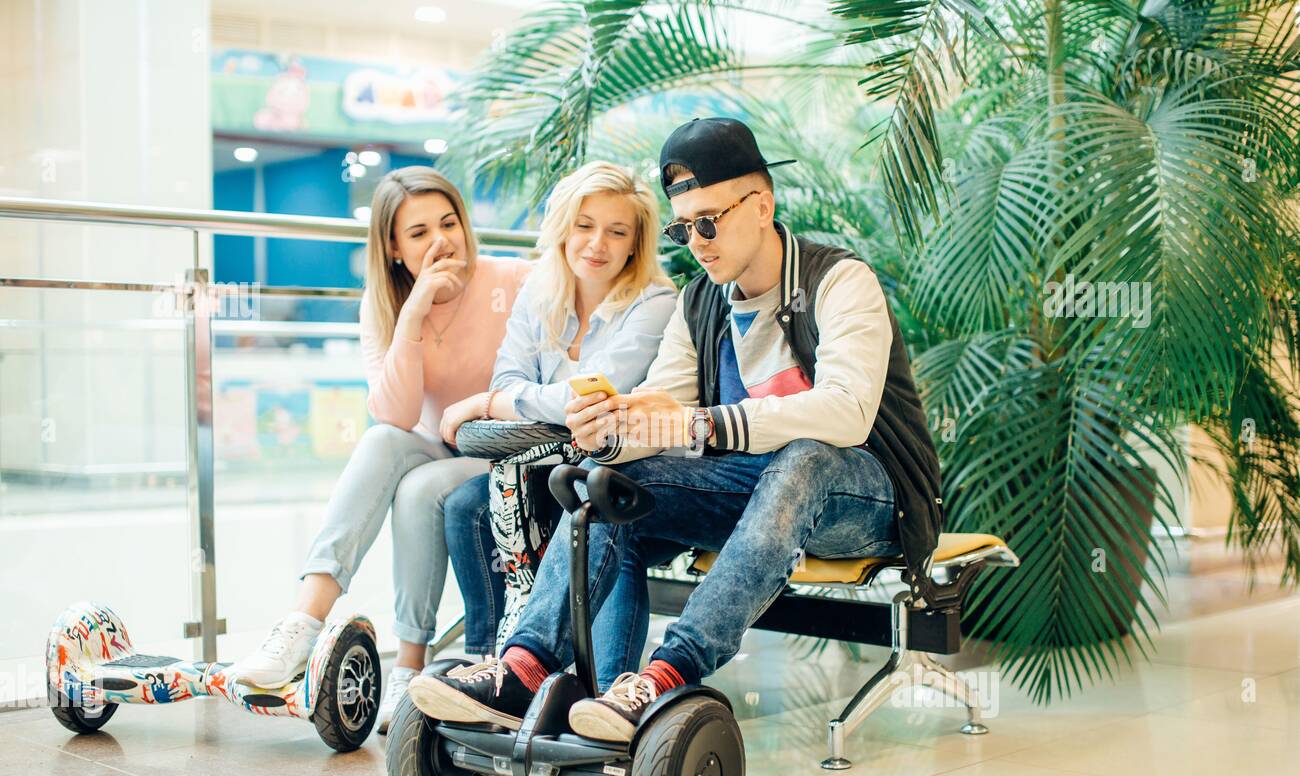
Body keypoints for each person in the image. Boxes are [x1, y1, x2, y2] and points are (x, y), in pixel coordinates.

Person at [407, 116, 944, 744]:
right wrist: (608, 432)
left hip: (867, 497)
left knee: (805, 457)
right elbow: (662, 413)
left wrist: (707, 424)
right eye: (683, 227)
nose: (697, 241)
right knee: (610, 483)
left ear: (761, 204)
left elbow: (846, 413)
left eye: (708, 222)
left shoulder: (839, 281)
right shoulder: (701, 303)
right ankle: (541, 679)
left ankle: (667, 676)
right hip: (753, 491)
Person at [229, 166, 530, 736]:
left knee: (418, 488)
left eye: (449, 223)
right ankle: (303, 620)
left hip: (504, 450)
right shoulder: (386, 303)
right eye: (418, 233)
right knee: (380, 441)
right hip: (436, 445)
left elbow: (585, 289)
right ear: (393, 248)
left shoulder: (509, 278)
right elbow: (394, 413)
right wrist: (414, 313)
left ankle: (408, 661)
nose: (442, 241)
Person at [440, 160, 676, 691]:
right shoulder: (538, 292)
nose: (597, 243)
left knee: (599, 512)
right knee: (466, 507)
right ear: (563, 227)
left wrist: (492, 401)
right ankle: (489, 666)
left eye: (617, 232)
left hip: (624, 471)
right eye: (584, 225)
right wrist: (517, 397)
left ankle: (606, 690)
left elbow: (596, 391)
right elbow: (516, 376)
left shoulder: (656, 302)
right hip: (540, 467)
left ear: (636, 244)